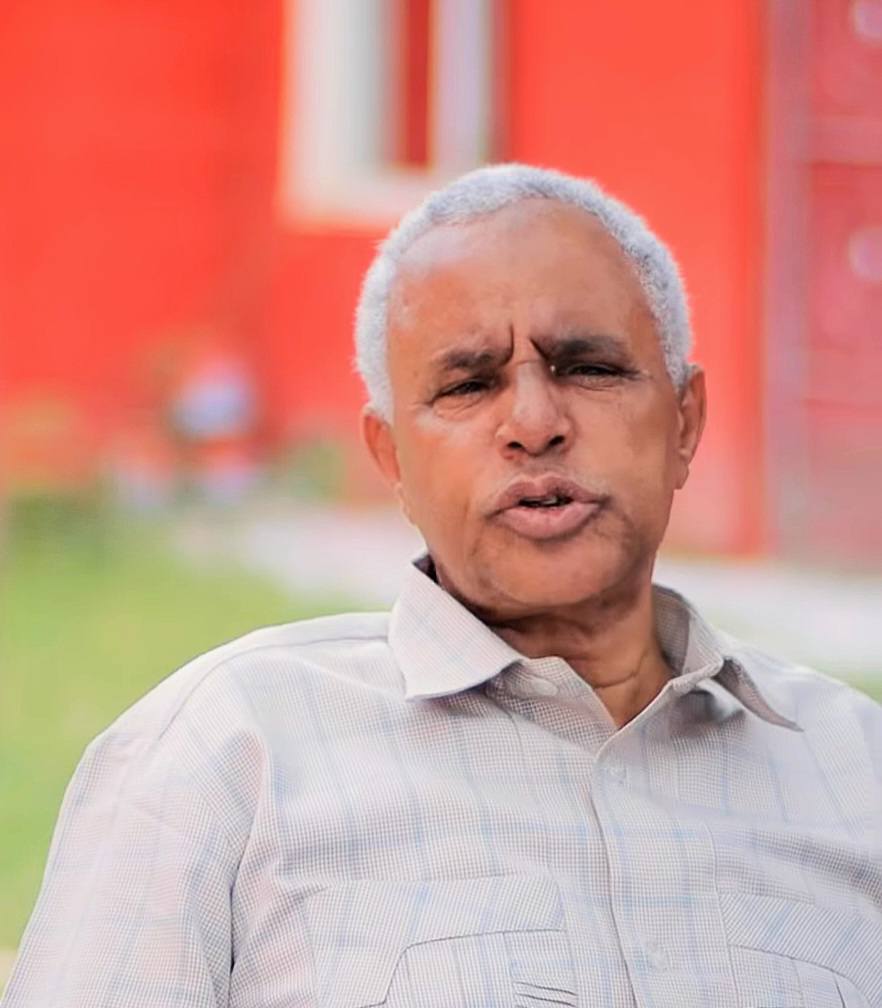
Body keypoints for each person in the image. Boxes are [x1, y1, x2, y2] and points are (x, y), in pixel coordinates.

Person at [4, 164, 880, 1008]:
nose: (534, 423)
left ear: (684, 421)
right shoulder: (227, 755)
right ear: (393, 459)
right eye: (468, 384)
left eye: (588, 367)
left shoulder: (853, 769)